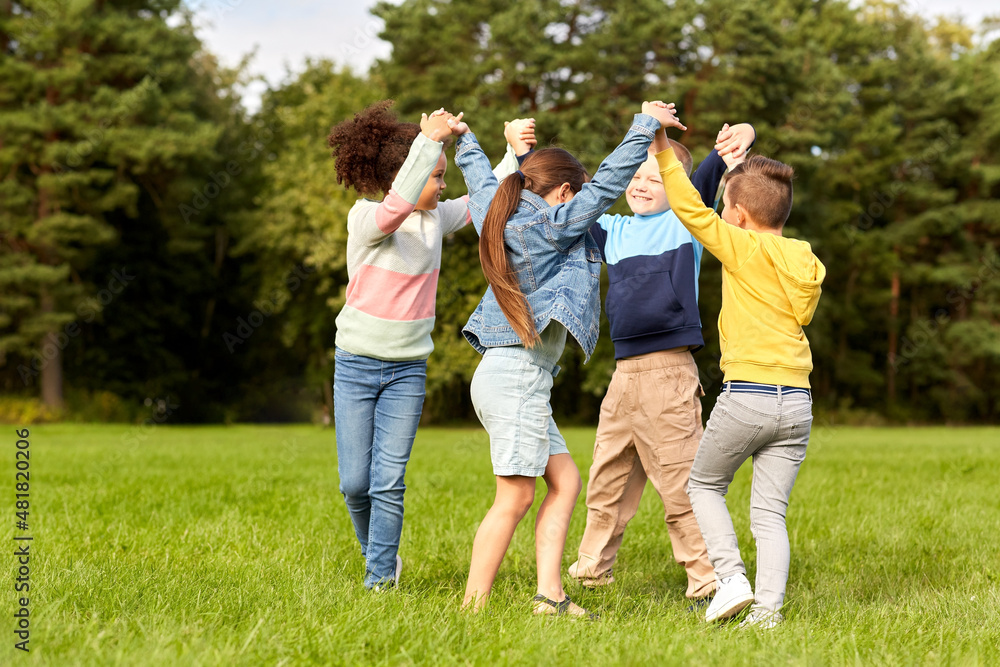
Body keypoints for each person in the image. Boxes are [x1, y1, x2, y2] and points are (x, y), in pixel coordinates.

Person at [448, 102, 686, 616]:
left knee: (565, 481)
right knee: (513, 498)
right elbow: (602, 188)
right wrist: (644, 125)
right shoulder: (550, 225)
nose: (580, 209)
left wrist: (469, 141)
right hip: (513, 375)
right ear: (562, 195)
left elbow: (496, 184)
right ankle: (472, 609)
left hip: (515, 375)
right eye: (572, 197)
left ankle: (550, 597)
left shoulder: (506, 213)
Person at [327, 101, 533, 589]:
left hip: (406, 370)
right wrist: (430, 142)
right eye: (436, 176)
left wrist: (511, 153)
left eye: (443, 177)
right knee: (354, 484)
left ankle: (380, 580)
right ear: (405, 174)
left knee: (387, 482)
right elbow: (395, 207)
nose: (443, 186)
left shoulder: (434, 219)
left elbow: (486, 199)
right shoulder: (366, 218)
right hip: (355, 365)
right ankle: (377, 555)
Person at [652, 101, 826, 628]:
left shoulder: (743, 247)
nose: (722, 213)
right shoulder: (804, 258)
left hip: (747, 394)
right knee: (770, 513)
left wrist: (662, 149)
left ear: (741, 216)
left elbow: (688, 208)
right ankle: (768, 613)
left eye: (726, 204)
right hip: (796, 403)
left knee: (703, 486)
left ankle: (730, 579)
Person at [569, 123, 757, 606]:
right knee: (607, 476)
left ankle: (708, 580)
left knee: (679, 480)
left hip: (669, 373)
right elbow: (578, 203)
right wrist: (524, 156)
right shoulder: (612, 229)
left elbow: (711, 170)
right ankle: (591, 570)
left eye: (654, 177)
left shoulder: (686, 222)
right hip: (623, 376)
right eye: (634, 176)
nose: (640, 184)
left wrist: (743, 135)